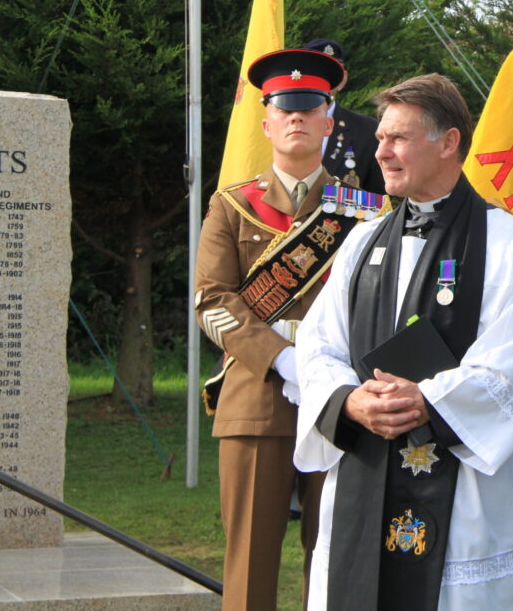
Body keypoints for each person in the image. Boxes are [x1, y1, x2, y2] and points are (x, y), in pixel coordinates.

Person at [293, 73, 513, 611]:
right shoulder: (362, 242)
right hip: (365, 466)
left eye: (398, 138)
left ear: (448, 142)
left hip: (465, 492)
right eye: (381, 138)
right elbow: (319, 343)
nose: (383, 151)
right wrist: (348, 400)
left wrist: (429, 401)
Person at [195, 47, 351, 611]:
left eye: (310, 105)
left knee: (334, 558)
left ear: (328, 121)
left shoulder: (364, 211)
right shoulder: (233, 206)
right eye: (284, 105)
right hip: (255, 396)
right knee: (250, 570)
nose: (296, 117)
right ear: (266, 121)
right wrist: (282, 360)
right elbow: (210, 299)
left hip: (341, 399)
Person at [302, 37, 385, 193]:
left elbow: (381, 200)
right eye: (315, 70)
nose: (323, 78)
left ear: (342, 79)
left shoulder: (369, 131)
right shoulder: (282, 124)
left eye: (331, 72)